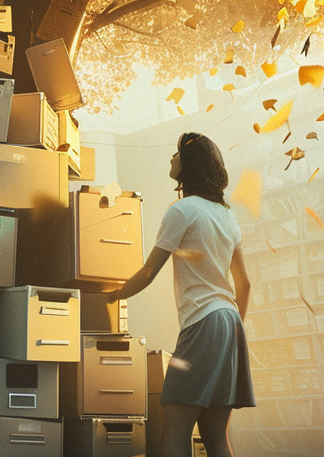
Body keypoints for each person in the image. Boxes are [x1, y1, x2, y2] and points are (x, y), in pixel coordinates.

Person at [107, 132, 254, 457]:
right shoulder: (227, 216)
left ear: (189, 164)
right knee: (216, 436)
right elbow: (244, 285)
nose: (172, 159)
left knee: (174, 430)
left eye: (176, 154)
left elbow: (147, 272)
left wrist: (114, 294)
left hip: (204, 323)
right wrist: (231, 331)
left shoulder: (182, 210)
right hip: (230, 323)